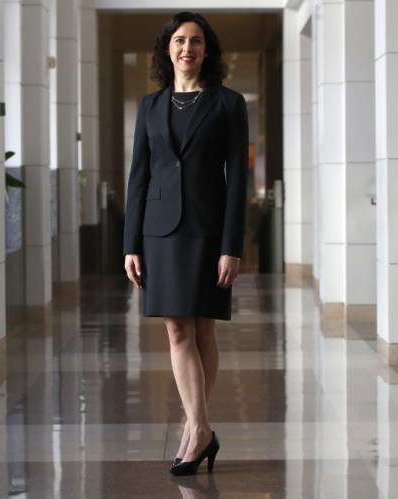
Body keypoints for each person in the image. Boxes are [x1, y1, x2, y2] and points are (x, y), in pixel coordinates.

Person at [123, 11, 248, 476]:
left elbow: (239, 179)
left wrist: (232, 245)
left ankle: (196, 429)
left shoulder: (228, 104)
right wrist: (130, 242)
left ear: (206, 50)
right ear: (167, 49)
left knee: (204, 330)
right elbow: (138, 177)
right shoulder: (150, 106)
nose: (187, 48)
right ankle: (199, 430)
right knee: (177, 330)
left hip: (209, 228)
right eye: (179, 40)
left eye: (195, 41)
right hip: (159, 230)